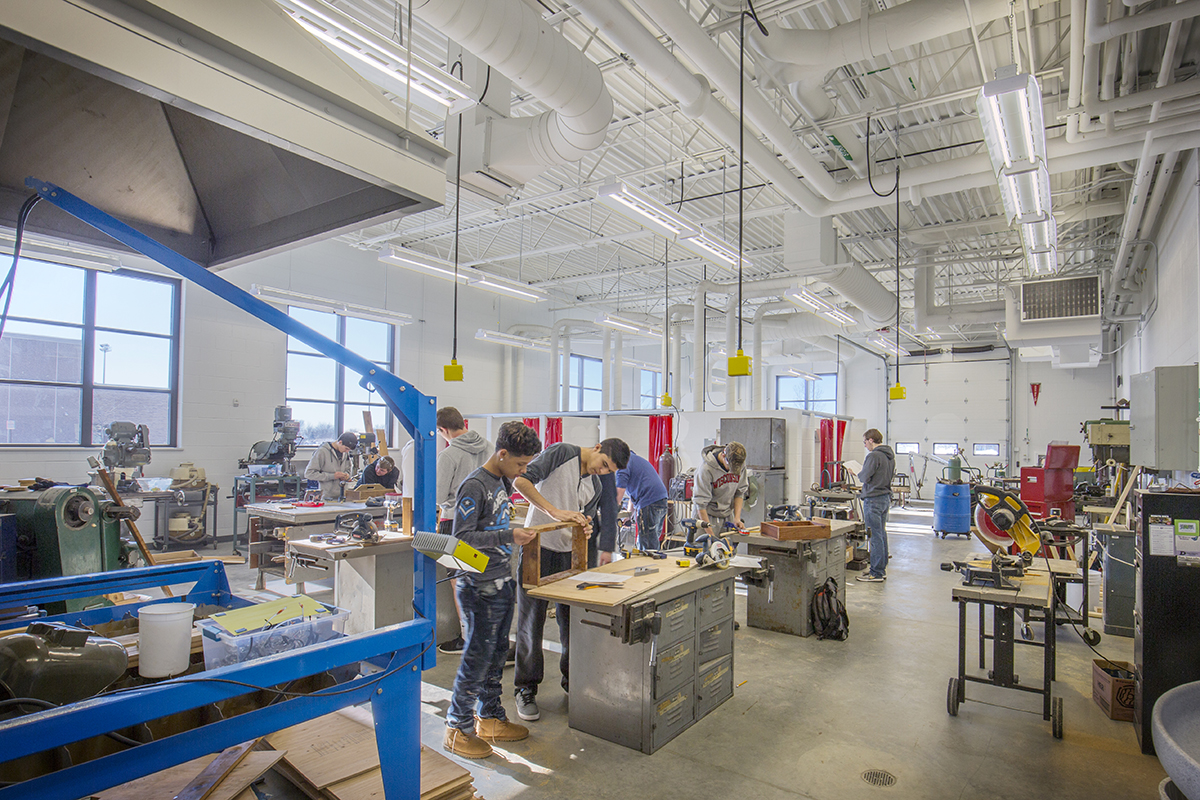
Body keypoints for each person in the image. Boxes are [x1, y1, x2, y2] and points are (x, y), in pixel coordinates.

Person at [443, 421, 543, 759]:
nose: (523, 471)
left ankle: (490, 718)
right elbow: (462, 540)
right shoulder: (475, 485)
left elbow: (497, 523)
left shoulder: (501, 481)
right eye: (520, 464)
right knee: (476, 657)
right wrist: (509, 536)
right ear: (501, 454)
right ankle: (457, 727)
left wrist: (510, 534)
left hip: (501, 580)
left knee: (496, 654)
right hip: (479, 587)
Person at [512, 438, 630, 722]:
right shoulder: (562, 453)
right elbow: (521, 482)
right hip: (536, 548)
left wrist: (585, 527)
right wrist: (553, 511)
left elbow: (582, 519)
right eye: (603, 465)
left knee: (570, 623)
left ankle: (572, 681)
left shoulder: (596, 485)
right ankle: (525, 688)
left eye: (608, 471)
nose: (602, 472)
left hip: (569, 556)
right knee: (531, 623)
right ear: (598, 447)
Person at [435, 407, 491, 655]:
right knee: (480, 579)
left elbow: (437, 495)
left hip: (455, 522)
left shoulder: (449, 454)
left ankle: (469, 640)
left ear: (443, 430)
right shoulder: (489, 448)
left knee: (459, 580)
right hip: (484, 522)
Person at [856, 428, 895, 583]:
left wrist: (857, 473)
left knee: (874, 536)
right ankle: (881, 568)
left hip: (873, 499)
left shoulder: (874, 456)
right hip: (885, 497)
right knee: (881, 533)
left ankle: (876, 573)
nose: (865, 445)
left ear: (871, 440)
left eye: (865, 441)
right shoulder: (889, 455)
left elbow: (865, 476)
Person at [616, 451, 669, 552]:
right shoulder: (634, 460)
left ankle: (648, 567)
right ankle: (650, 564)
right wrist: (629, 515)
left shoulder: (623, 464)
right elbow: (633, 493)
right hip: (661, 500)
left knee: (647, 546)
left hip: (649, 501)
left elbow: (619, 492)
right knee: (652, 541)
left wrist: (610, 513)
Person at [692, 442, 749, 533]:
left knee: (728, 546)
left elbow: (740, 492)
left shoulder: (739, 462)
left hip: (727, 516)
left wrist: (737, 518)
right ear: (723, 455)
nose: (732, 470)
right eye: (730, 467)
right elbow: (700, 503)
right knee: (706, 546)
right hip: (705, 516)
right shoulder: (705, 469)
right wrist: (710, 534)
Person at [304, 432, 356, 500]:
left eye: (349, 450)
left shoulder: (345, 453)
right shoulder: (322, 452)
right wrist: (332, 476)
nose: (347, 451)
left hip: (343, 497)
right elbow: (309, 474)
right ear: (340, 442)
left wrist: (346, 475)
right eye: (346, 448)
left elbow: (348, 469)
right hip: (326, 498)